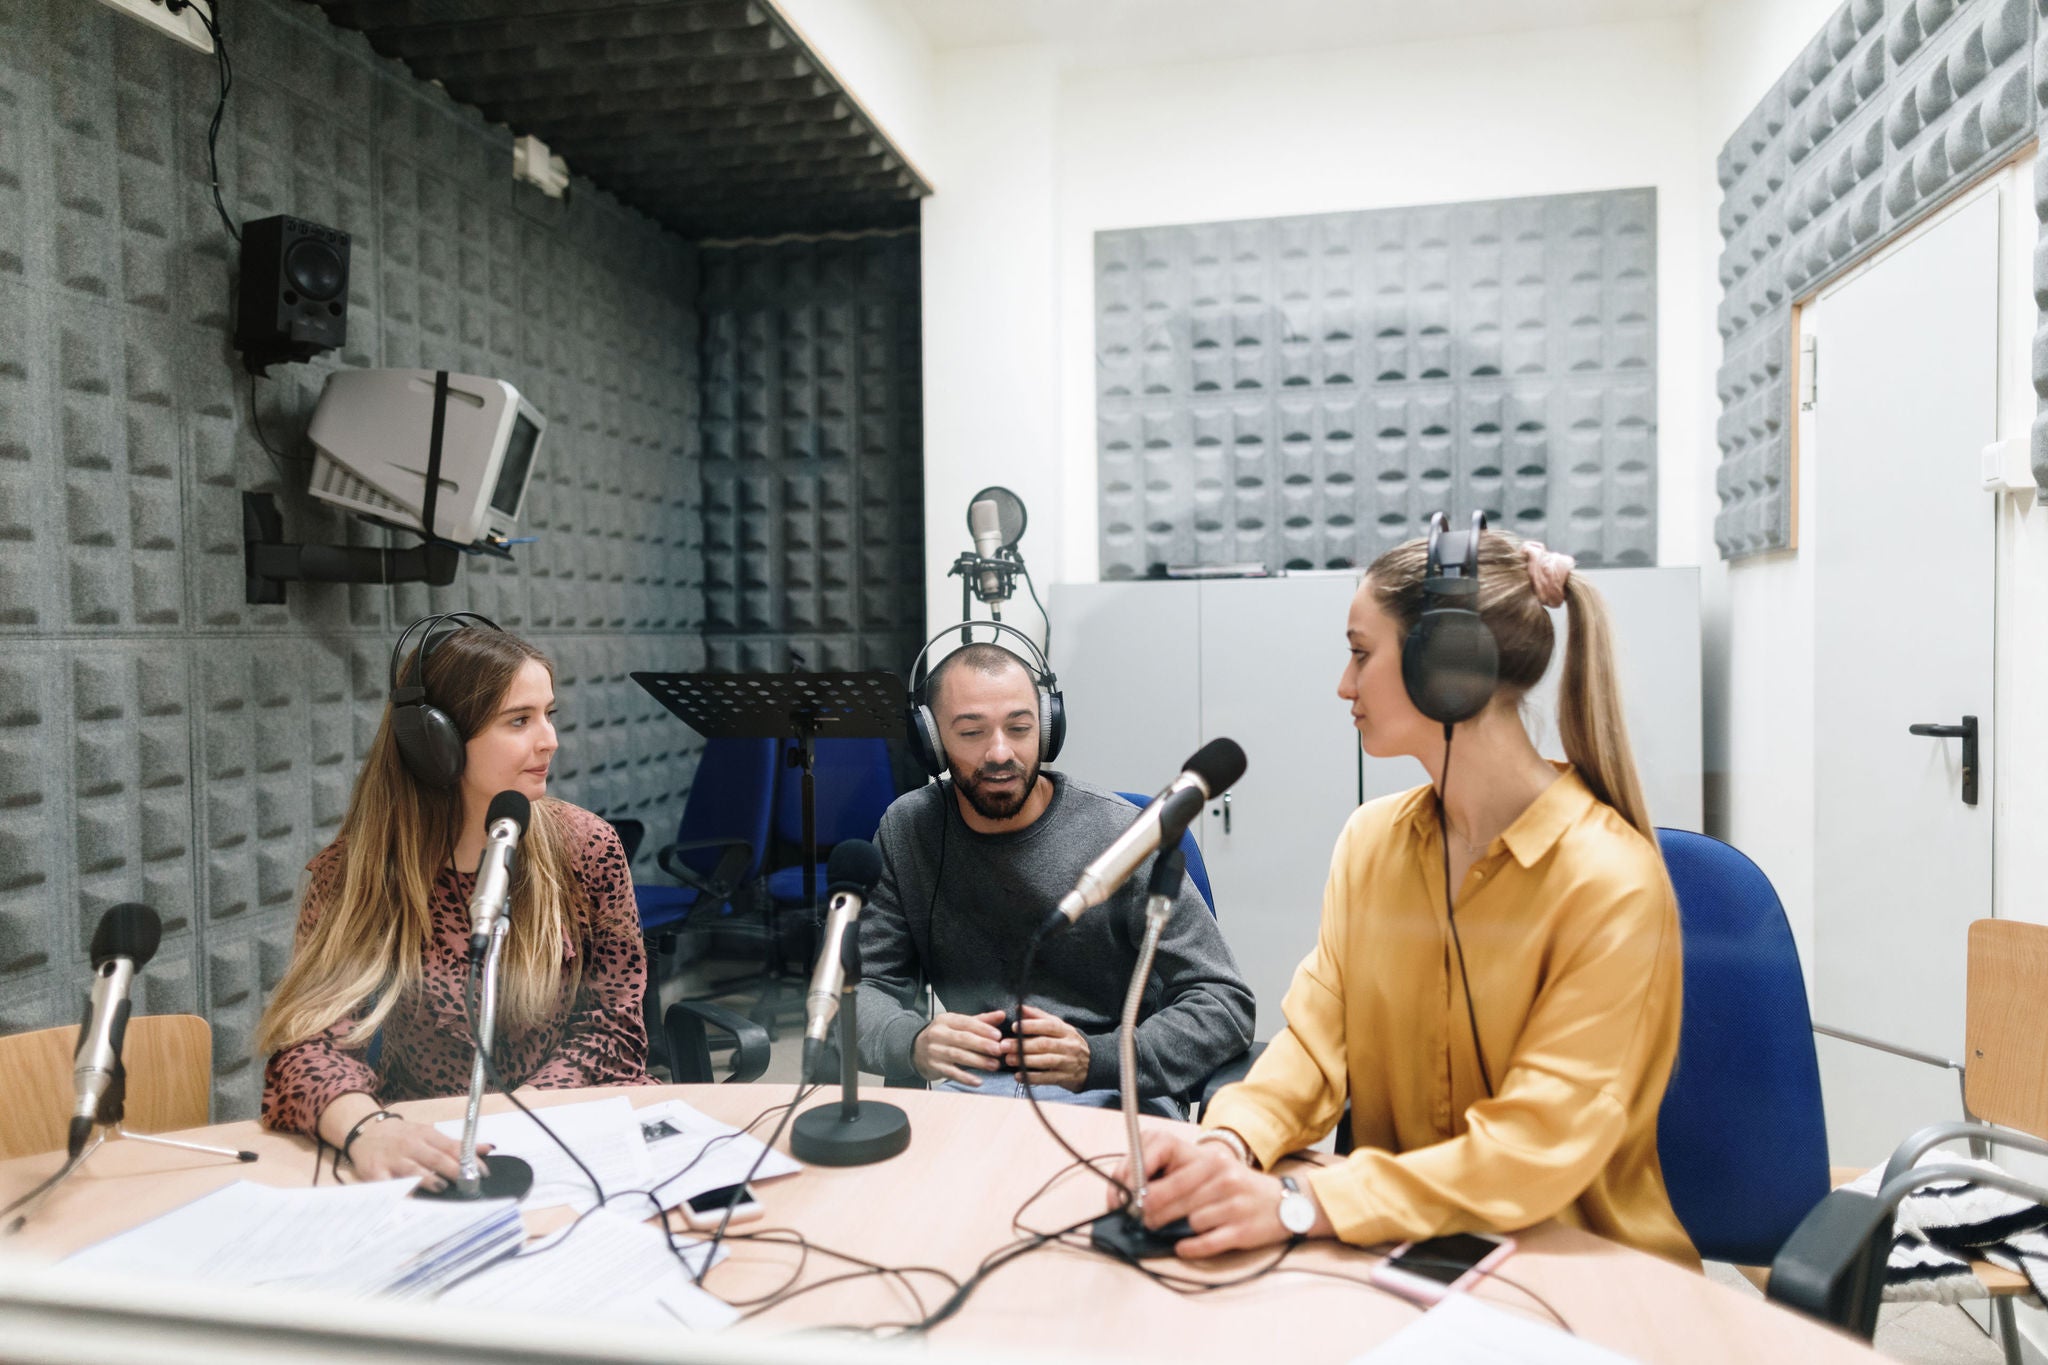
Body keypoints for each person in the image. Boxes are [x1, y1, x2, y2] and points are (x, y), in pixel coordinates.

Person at [1125, 529, 1698, 1267]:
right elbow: (1311, 1045)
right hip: (1408, 1249)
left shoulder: (1609, 880)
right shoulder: (1372, 843)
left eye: (1362, 652)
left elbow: (1532, 1146)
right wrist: (1228, 1143)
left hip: (1580, 1270)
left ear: (1447, 668)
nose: (1343, 682)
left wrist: (1305, 1203)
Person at [256, 617, 652, 1188]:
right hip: (426, 1135)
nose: (549, 740)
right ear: (435, 745)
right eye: (519, 720)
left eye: (549, 714)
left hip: (567, 1120)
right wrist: (368, 1130)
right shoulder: (351, 875)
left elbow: (614, 1026)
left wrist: (520, 1114)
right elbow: (306, 1043)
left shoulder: (586, 847)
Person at [855, 639, 1254, 1115]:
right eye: (971, 733)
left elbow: (1225, 1005)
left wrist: (1100, 1056)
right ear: (932, 741)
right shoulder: (908, 831)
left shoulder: (1122, 836)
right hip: (976, 1090)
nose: (1000, 752)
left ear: (1046, 729)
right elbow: (859, 991)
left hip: (1115, 1090)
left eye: (1019, 728)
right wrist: (912, 1041)